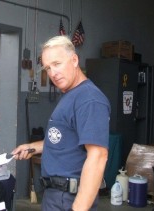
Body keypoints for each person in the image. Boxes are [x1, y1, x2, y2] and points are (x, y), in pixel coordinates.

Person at [12, 36, 110, 211]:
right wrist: (31, 147)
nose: (52, 73)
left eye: (57, 64)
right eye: (48, 68)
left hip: (70, 198)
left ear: (74, 60)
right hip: (56, 195)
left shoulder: (89, 99)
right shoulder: (71, 95)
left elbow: (98, 156)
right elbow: (65, 139)